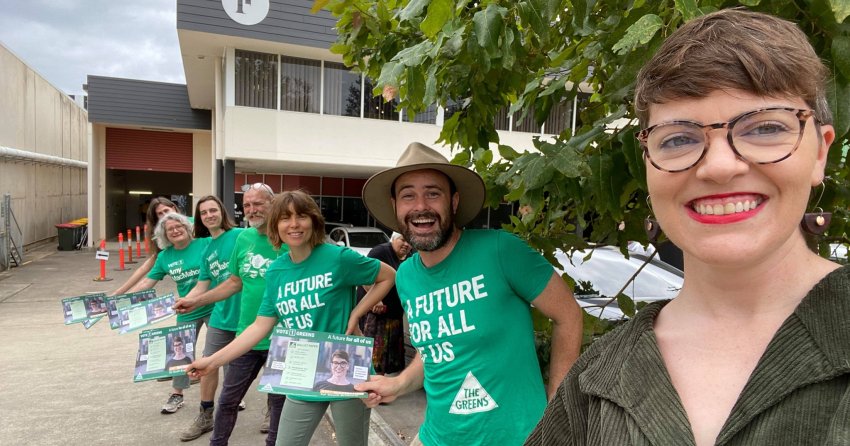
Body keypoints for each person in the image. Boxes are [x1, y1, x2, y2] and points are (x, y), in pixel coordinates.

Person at [526, 9, 850, 446]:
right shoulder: (594, 382)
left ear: (819, 153)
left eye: (766, 127)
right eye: (678, 138)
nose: (718, 166)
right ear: (647, 166)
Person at [357, 142, 583, 445]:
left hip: (516, 438)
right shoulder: (407, 275)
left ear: (454, 201)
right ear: (396, 206)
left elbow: (568, 314)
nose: (421, 206)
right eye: (408, 195)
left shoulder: (501, 250)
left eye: (433, 193)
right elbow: (435, 350)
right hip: (437, 436)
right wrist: (398, 384)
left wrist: (558, 407)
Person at [188, 190, 396, 446]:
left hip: (347, 366)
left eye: (302, 216)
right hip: (302, 367)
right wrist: (212, 362)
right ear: (275, 225)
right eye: (285, 218)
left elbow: (388, 276)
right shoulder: (276, 271)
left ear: (314, 221)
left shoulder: (338, 258)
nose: (294, 224)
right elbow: (259, 326)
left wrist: (357, 312)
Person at [174, 183, 284, 446]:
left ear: (273, 203)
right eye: (247, 205)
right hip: (247, 335)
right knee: (228, 400)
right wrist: (196, 301)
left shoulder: (287, 236)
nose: (252, 209)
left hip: (282, 337)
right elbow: (234, 282)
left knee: (278, 406)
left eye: (258, 203)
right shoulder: (244, 239)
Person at [177, 195, 248, 442]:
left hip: (247, 314)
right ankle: (206, 414)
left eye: (213, 210)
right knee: (207, 364)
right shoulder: (207, 248)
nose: (209, 215)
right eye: (204, 212)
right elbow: (202, 284)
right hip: (221, 314)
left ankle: (272, 413)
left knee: (265, 363)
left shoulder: (241, 236)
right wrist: (188, 299)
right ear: (200, 218)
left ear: (222, 212)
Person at [129, 212, 212, 414]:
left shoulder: (205, 244)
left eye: (179, 226)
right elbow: (148, 281)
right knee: (180, 351)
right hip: (186, 309)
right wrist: (121, 300)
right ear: (164, 235)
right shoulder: (165, 257)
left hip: (214, 304)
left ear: (187, 227)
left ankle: (232, 395)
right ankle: (177, 394)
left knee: (219, 349)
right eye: (170, 229)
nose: (175, 231)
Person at [356, 232, 412, 375]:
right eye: (403, 240)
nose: (406, 244)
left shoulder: (410, 258)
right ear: (393, 239)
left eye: (409, 242)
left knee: (390, 360)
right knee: (374, 358)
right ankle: (369, 388)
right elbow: (363, 276)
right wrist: (376, 298)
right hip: (375, 315)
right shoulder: (380, 252)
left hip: (394, 314)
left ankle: (383, 389)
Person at [111, 197, 182, 296]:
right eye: (160, 213)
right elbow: (147, 269)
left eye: (166, 210)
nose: (165, 215)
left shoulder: (194, 225)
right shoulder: (162, 239)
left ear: (174, 208)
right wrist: (118, 294)